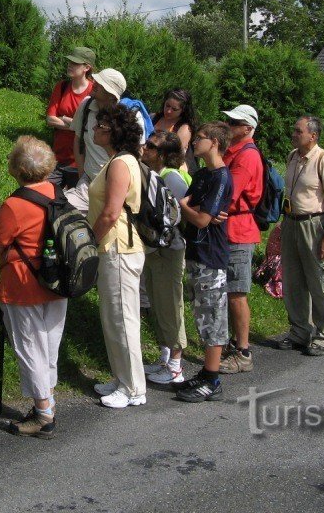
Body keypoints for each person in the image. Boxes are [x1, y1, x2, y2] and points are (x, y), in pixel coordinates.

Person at [0, 136, 67, 439]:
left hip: (23, 284)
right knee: (49, 345)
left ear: (17, 169)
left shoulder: (14, 205)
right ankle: (48, 401)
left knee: (30, 347)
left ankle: (44, 414)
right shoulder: (57, 193)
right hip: (57, 280)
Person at [88, 104, 147, 409]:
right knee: (113, 317)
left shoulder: (121, 163)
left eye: (100, 126)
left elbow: (111, 213)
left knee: (123, 319)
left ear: (113, 132)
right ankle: (121, 378)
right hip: (114, 248)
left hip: (119, 248)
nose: (94, 130)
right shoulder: (117, 160)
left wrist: (88, 242)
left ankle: (134, 388)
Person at [174, 121, 233, 403]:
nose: (195, 142)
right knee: (201, 314)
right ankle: (205, 372)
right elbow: (191, 207)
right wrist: (191, 208)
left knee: (213, 316)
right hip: (195, 253)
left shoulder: (221, 177)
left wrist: (188, 208)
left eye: (200, 138)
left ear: (215, 143)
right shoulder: (201, 176)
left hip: (211, 255)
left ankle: (213, 379)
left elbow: (200, 217)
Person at [276, 115, 324, 357]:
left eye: (298, 131)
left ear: (312, 136)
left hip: (314, 225)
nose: (293, 134)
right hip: (292, 223)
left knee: (320, 282)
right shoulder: (293, 157)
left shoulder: (323, 160)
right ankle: (299, 331)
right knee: (293, 280)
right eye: (294, 130)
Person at [140, 131, 190, 386]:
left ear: (162, 155)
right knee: (157, 304)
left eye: (151, 146)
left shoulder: (172, 178)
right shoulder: (153, 175)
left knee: (170, 305)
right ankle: (164, 356)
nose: (144, 148)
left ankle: (175, 366)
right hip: (155, 249)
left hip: (170, 251)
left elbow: (185, 213)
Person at [218, 104, 264, 375]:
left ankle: (243, 352)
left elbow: (228, 194)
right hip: (230, 229)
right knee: (228, 292)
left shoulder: (246, 156)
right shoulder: (233, 151)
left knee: (236, 293)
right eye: (229, 120)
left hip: (238, 230)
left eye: (235, 122)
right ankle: (229, 344)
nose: (229, 125)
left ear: (248, 129)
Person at [67, 68, 140, 213]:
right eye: (97, 80)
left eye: (101, 84)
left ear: (112, 96)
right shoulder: (86, 105)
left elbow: (135, 156)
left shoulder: (128, 119)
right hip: (87, 183)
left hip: (113, 189)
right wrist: (82, 175)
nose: (94, 84)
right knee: (60, 212)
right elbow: (78, 140)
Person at [45, 47, 96, 189]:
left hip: (81, 162)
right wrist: (76, 125)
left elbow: (91, 127)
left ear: (87, 67)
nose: (69, 65)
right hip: (57, 159)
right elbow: (50, 119)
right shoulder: (61, 87)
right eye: (69, 62)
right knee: (44, 196)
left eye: (75, 63)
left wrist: (67, 120)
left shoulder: (93, 92)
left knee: (74, 206)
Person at [151, 89, 199, 175]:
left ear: (183, 110)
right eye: (167, 105)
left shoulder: (184, 129)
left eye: (174, 109)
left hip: (166, 171)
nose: (169, 111)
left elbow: (174, 157)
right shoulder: (154, 118)